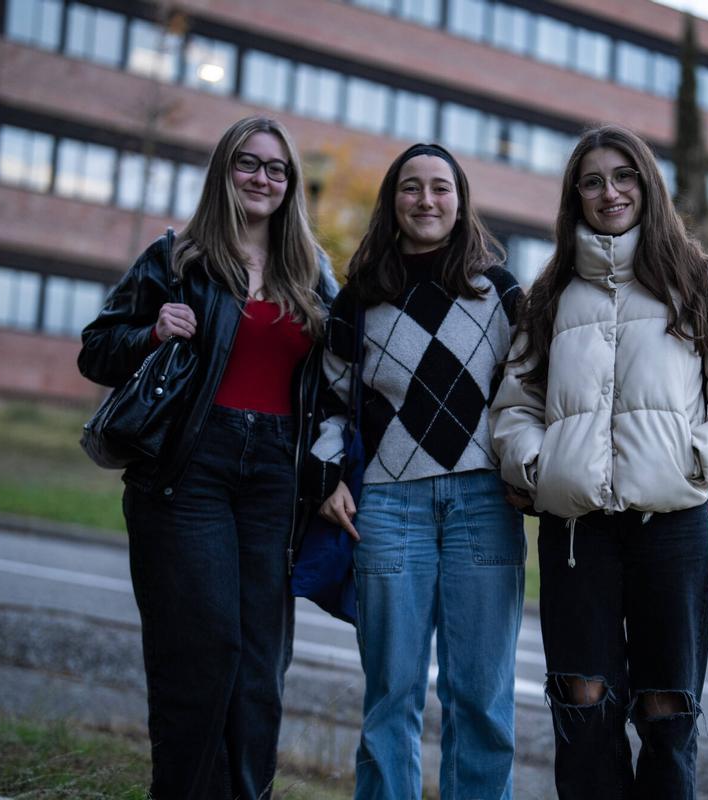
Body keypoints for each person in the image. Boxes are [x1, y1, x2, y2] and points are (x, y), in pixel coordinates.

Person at [490, 124, 708, 799]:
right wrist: (540, 468)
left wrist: (691, 459)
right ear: (576, 198)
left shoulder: (699, 280)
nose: (609, 192)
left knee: (666, 708)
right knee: (583, 701)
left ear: (647, 185)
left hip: (674, 526)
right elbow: (514, 407)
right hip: (577, 531)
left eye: (623, 177)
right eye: (592, 181)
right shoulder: (550, 293)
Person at [77, 116, 337, 800]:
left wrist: (333, 473)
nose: (262, 179)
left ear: (290, 184)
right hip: (189, 469)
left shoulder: (312, 271)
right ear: (225, 172)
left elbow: (346, 379)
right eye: (247, 164)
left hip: (277, 480)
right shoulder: (177, 256)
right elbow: (97, 347)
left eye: (276, 169)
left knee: (258, 665)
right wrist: (150, 330)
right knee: (202, 651)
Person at [307, 142, 525, 800]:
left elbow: (533, 396)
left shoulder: (502, 295)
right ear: (392, 202)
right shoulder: (361, 297)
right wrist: (326, 476)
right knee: (391, 696)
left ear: (460, 204)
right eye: (410, 188)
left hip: (485, 507)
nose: (425, 200)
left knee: (481, 701)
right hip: (389, 509)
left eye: (440, 188)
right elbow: (328, 400)